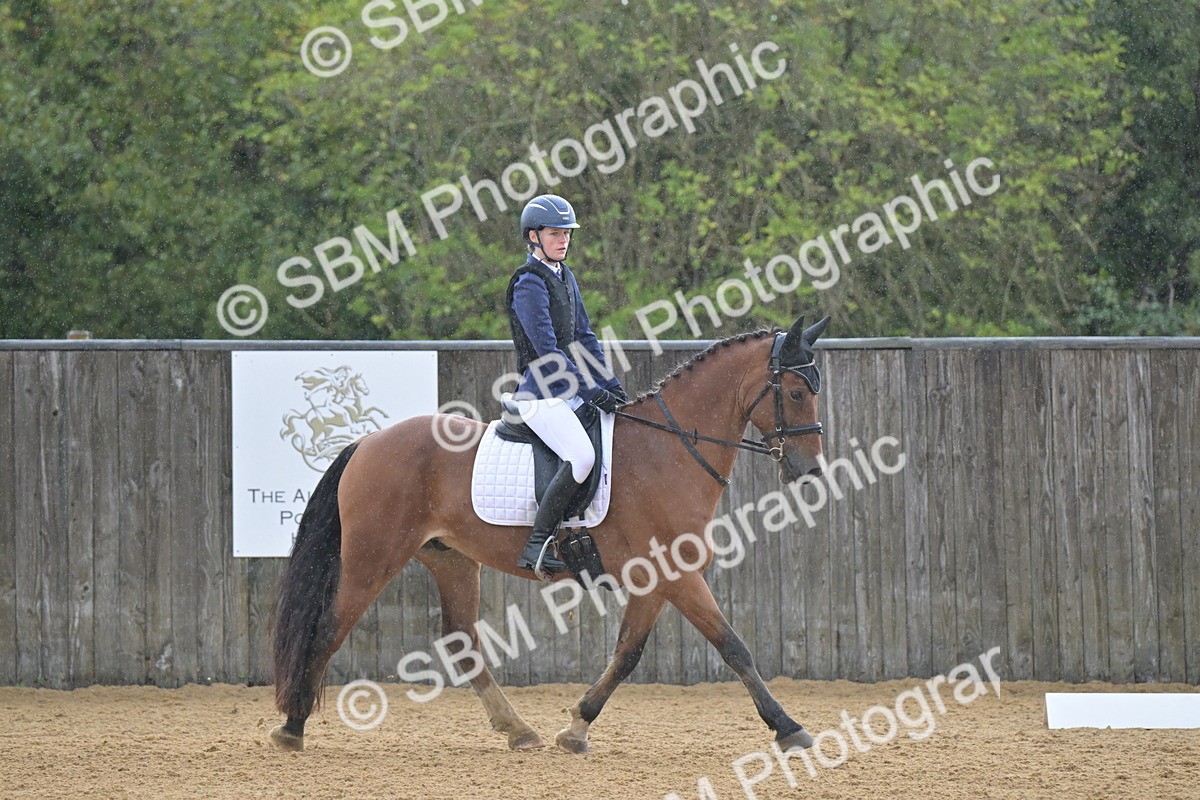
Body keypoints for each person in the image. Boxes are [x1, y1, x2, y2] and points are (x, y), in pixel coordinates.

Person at [506, 194, 629, 578]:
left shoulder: (566, 277)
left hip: (567, 388)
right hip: (540, 393)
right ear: (533, 236)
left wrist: (610, 383)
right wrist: (590, 392)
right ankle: (536, 542)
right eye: (556, 233)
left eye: (567, 234)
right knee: (582, 457)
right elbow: (547, 350)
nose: (563, 240)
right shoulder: (529, 283)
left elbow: (584, 337)